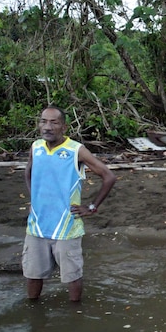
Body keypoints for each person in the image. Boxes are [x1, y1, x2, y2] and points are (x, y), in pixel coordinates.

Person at [22, 106, 116, 302]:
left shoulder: (76, 150)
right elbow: (29, 171)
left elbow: (108, 176)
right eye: (43, 121)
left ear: (64, 127)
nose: (47, 127)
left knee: (72, 277)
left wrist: (91, 207)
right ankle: (33, 313)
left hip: (66, 226)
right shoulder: (36, 147)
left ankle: (75, 314)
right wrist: (34, 199)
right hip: (37, 225)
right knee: (32, 274)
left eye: (54, 122)